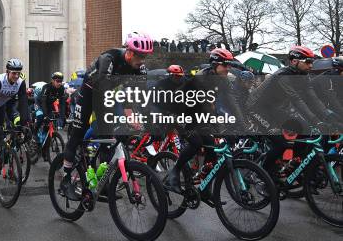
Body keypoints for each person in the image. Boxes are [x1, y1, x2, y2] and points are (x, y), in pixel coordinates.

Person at [60, 32, 153, 200]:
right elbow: (104, 88)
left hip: (107, 98)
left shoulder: (139, 69)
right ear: (129, 52)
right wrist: (126, 112)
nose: (142, 60)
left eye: (145, 56)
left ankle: (103, 183)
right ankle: (65, 180)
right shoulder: (109, 59)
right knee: (77, 134)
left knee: (109, 140)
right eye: (140, 56)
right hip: (89, 93)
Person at [245, 46, 332, 180]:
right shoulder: (283, 75)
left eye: (312, 61)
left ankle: (294, 165)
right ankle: (264, 176)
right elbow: (296, 100)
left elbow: (312, 97)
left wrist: (327, 115)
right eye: (308, 61)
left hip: (275, 109)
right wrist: (316, 120)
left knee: (307, 130)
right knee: (280, 143)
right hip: (257, 109)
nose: (311, 65)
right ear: (294, 61)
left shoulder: (303, 75)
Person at [164, 48, 244, 194]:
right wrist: (222, 130)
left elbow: (232, 102)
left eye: (230, 65)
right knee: (196, 142)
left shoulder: (223, 80)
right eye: (225, 65)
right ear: (215, 64)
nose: (229, 68)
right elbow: (207, 109)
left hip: (197, 113)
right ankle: (173, 174)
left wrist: (242, 123)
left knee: (212, 149)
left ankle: (205, 188)